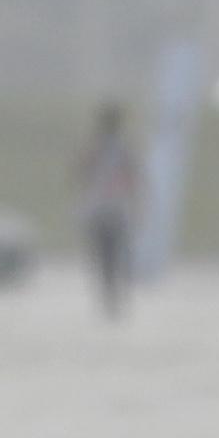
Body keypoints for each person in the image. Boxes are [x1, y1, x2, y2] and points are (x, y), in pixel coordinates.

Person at [75, 103, 142, 317]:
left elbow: (79, 176)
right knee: (115, 255)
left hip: (98, 210)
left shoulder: (94, 149)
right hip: (116, 210)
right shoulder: (124, 150)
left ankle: (108, 297)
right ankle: (113, 298)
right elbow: (133, 180)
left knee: (104, 256)